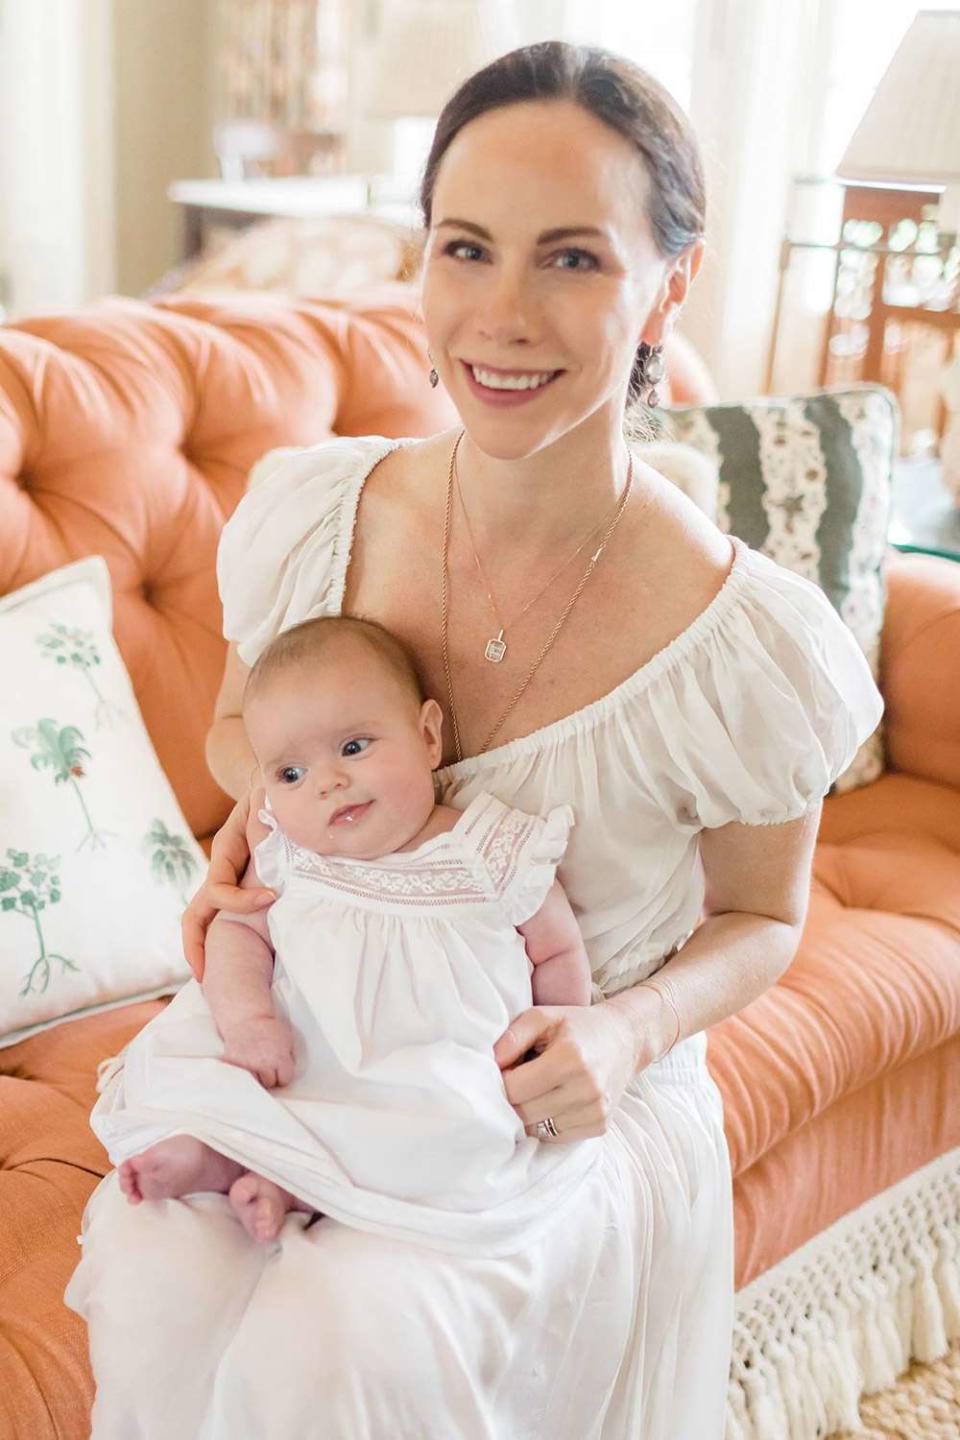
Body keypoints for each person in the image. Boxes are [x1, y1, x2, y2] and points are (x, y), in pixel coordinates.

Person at [65, 40, 883, 1438]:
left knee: (345, 1332)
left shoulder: (752, 647)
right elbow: (230, 732)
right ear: (420, 257)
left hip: (544, 1111)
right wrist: (254, 830)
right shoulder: (315, 516)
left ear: (669, 287)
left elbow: (765, 916)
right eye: (465, 247)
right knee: (152, 1255)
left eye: (572, 258)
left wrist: (622, 1036)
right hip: (321, 1039)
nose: (500, 315)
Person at [93, 614, 594, 1248]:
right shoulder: (286, 852)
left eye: (354, 747)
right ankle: (219, 1153)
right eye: (291, 775)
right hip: (297, 1047)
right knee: (221, 1080)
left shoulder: (492, 848)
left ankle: (288, 1184)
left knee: (465, 1125)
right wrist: (251, 1023)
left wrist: (559, 1040)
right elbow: (237, 935)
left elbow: (557, 947)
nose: (328, 782)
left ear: (428, 736)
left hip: (433, 1069)